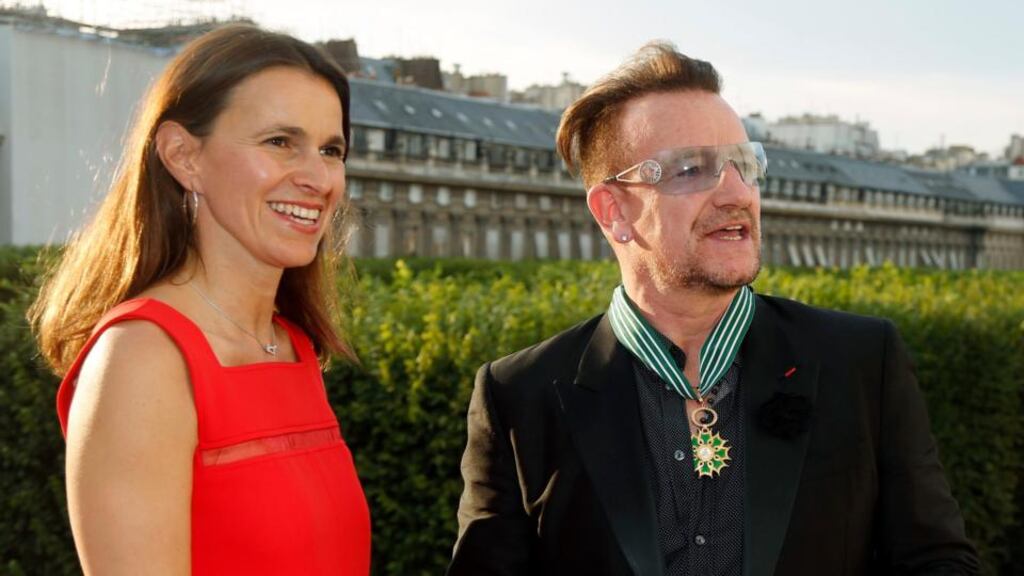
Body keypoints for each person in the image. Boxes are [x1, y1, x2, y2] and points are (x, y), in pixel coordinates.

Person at [448, 42, 978, 576]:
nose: (736, 192)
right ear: (614, 212)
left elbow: (935, 560)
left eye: (744, 164)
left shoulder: (861, 362)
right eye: (690, 169)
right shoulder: (520, 396)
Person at [29, 24, 370, 575]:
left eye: (331, 150)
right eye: (280, 142)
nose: (318, 177)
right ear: (183, 156)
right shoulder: (141, 359)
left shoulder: (293, 346)